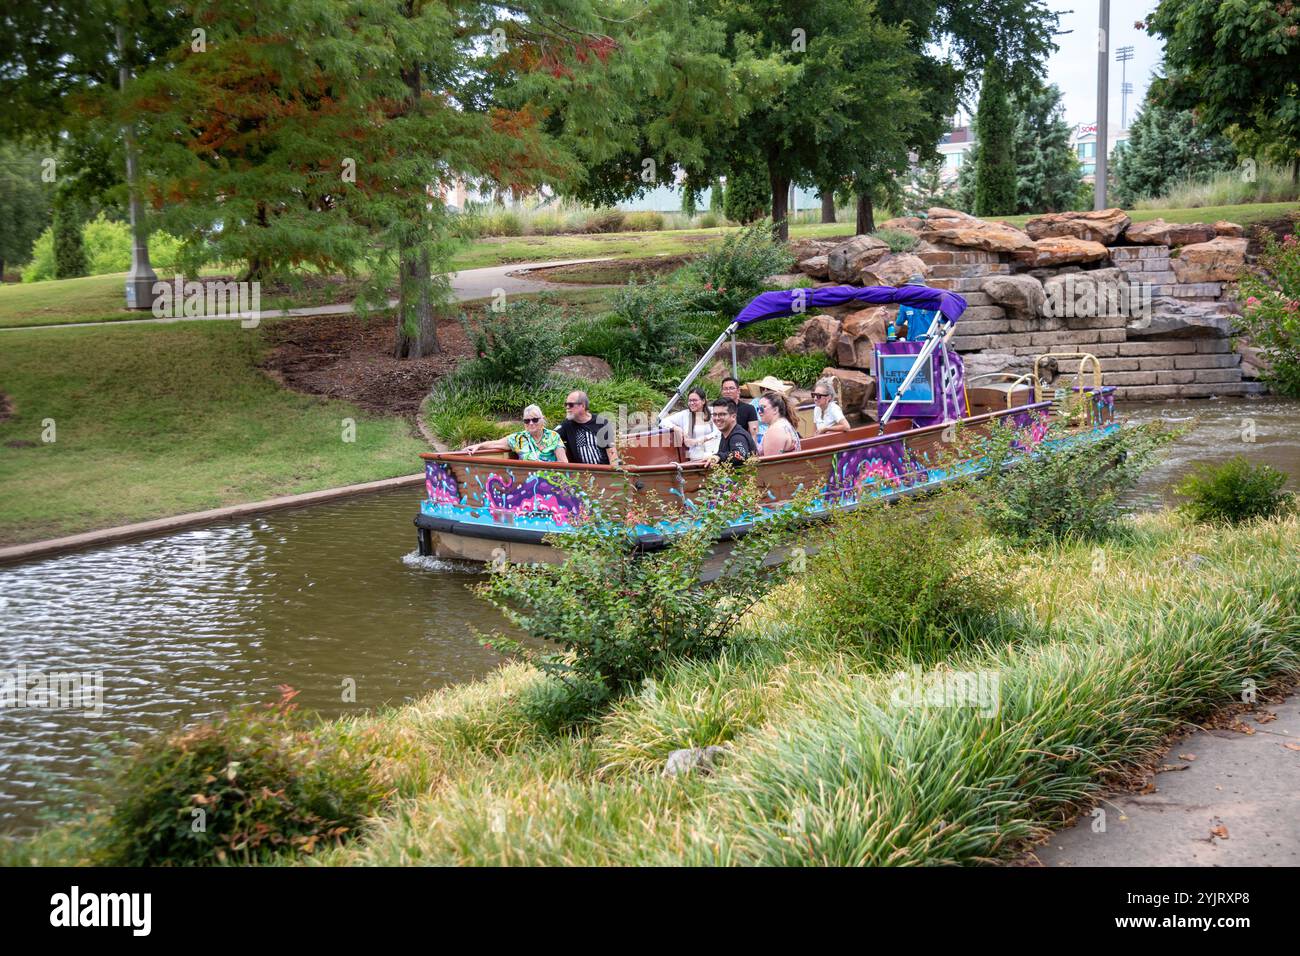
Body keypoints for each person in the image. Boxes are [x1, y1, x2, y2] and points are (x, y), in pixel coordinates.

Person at [459, 404, 569, 462]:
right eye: (527, 421)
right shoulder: (518, 438)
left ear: (542, 419)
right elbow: (497, 443)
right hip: (527, 482)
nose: (531, 423)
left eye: (535, 420)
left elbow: (563, 464)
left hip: (550, 482)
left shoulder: (553, 436)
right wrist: (479, 445)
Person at [556, 390, 618, 466]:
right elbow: (550, 437)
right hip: (581, 474)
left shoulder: (601, 422)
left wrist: (614, 474)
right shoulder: (566, 425)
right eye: (566, 404)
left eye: (571, 405)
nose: (567, 407)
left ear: (583, 405)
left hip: (603, 471)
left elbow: (611, 452)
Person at [660, 387, 719, 461]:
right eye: (690, 401)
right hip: (695, 456)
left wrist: (699, 440)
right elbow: (663, 422)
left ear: (703, 401)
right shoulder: (685, 414)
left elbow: (718, 432)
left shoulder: (713, 411)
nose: (691, 403)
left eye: (695, 400)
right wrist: (676, 428)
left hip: (713, 453)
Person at [706, 397, 758, 466]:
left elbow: (740, 454)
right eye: (714, 414)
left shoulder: (737, 436)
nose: (717, 418)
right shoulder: (725, 433)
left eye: (722, 414)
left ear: (733, 417)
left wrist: (719, 456)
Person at [757, 392, 801, 456]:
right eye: (758, 408)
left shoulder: (775, 430)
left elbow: (770, 463)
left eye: (762, 407)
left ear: (775, 410)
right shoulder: (784, 423)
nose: (759, 411)